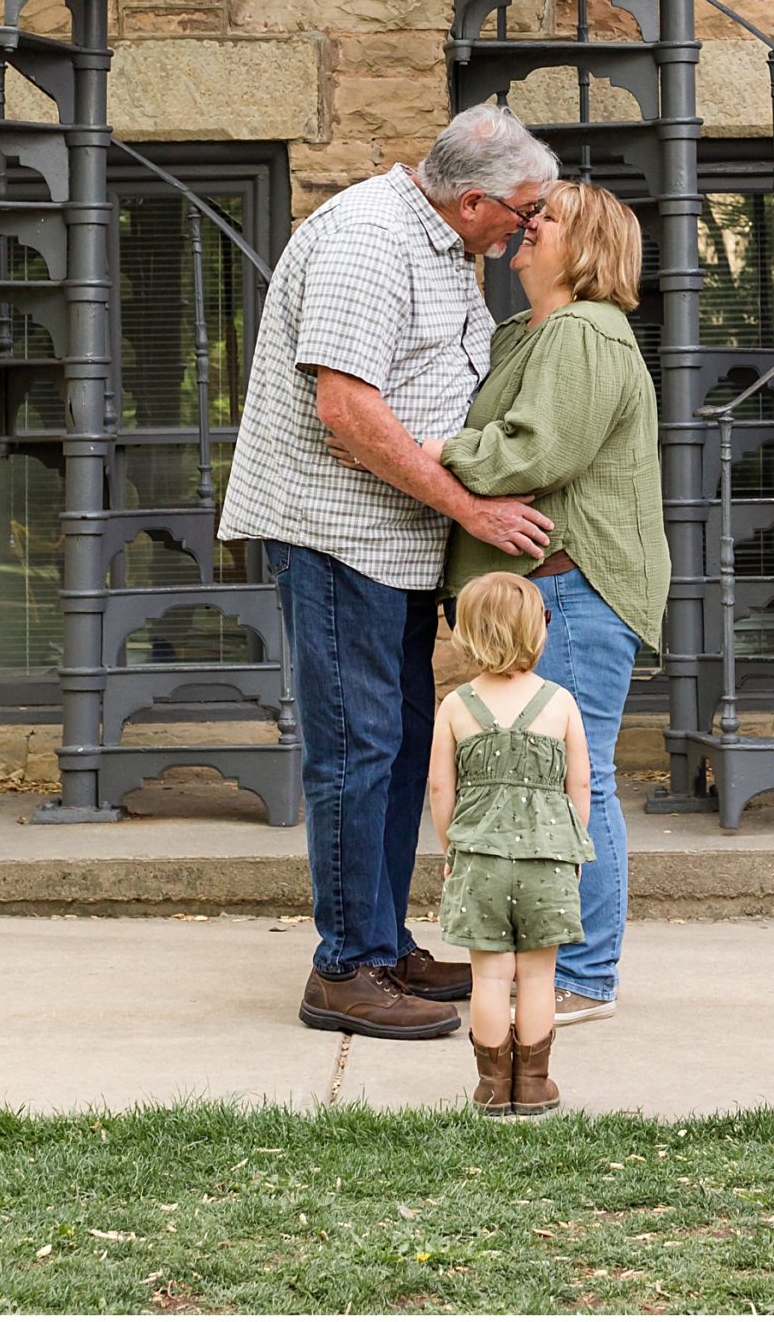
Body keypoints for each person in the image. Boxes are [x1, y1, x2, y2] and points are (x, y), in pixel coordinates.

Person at [216, 105, 561, 1040]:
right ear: (476, 198)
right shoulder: (369, 239)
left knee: (403, 743)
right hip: (339, 537)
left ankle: (381, 939)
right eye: (525, 211)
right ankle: (343, 968)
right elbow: (347, 413)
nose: (530, 227)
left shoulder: (443, 240)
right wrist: (474, 510)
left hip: (397, 542)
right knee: (355, 750)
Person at [431, 178, 668, 1026]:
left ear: (590, 246)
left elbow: (535, 452)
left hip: (571, 589)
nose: (528, 228)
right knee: (550, 782)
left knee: (580, 781)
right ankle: (557, 967)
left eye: (548, 218)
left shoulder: (582, 330)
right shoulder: (521, 335)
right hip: (541, 595)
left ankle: (587, 976)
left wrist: (432, 451)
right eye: (529, 215)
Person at [430, 571, 595, 1118]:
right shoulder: (560, 703)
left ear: (466, 635)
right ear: (538, 632)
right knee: (539, 976)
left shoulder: (455, 706)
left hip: (479, 860)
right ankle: (535, 1084)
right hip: (548, 859)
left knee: (490, 976)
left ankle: (492, 1087)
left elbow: (439, 787)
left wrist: (452, 850)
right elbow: (580, 785)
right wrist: (574, 845)